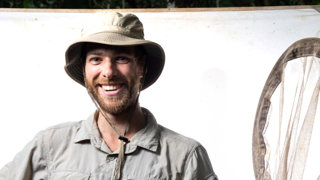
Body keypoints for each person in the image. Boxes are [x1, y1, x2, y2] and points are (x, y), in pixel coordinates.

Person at [0, 12, 218, 180]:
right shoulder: (49, 145)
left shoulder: (186, 156)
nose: (108, 72)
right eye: (96, 59)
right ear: (85, 69)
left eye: (121, 58)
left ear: (140, 66)